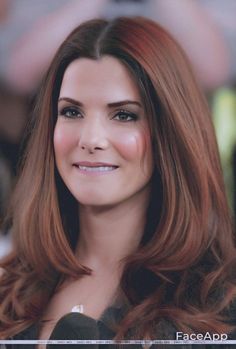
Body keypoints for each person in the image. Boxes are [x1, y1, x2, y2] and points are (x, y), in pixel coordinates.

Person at [0, 16, 236, 347]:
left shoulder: (219, 304)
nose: (91, 139)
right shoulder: (9, 286)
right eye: (71, 112)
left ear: (170, 132)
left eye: (124, 115)